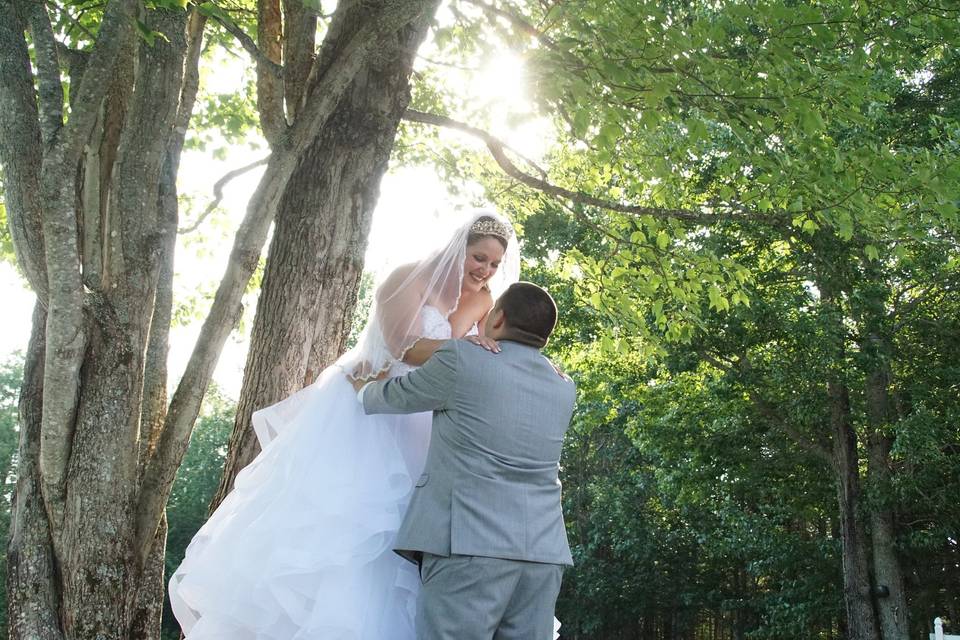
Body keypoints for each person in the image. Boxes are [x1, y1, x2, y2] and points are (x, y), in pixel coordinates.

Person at [168, 210, 520, 639]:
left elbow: (497, 354)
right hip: (366, 407)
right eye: (478, 257)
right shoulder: (407, 278)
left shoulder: (484, 300)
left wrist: (534, 365)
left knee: (405, 535)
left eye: (493, 265)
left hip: (423, 419)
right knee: (351, 527)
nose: (484, 270)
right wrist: (465, 350)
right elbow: (403, 348)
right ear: (458, 249)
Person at [354, 282, 575, 640]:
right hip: (543, 554)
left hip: (471, 546)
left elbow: (396, 397)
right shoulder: (563, 384)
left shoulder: (462, 358)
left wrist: (361, 387)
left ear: (498, 317)